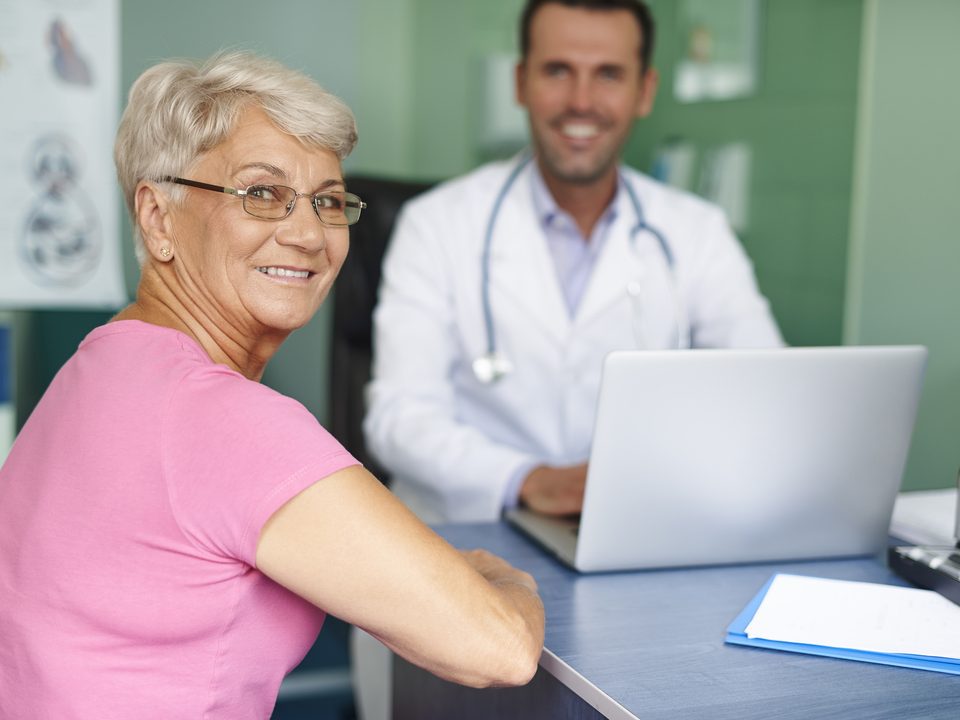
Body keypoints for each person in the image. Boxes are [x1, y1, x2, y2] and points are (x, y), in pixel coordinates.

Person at [0, 51, 544, 720]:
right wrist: (506, 576)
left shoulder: (97, 370)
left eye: (328, 201)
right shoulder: (218, 416)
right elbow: (501, 645)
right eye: (262, 194)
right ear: (157, 218)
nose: (311, 234)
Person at [364, 0, 784, 525]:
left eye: (608, 74)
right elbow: (399, 419)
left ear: (645, 92)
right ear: (520, 83)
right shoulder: (436, 223)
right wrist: (530, 479)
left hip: (638, 526)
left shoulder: (696, 232)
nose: (581, 102)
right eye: (558, 71)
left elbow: (766, 399)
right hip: (466, 538)